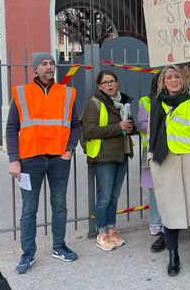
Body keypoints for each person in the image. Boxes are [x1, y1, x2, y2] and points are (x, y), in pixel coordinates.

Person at [6, 52, 80, 274]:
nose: (49, 66)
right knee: (29, 209)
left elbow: (75, 124)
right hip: (29, 161)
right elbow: (12, 129)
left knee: (60, 205)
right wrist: (14, 160)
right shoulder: (22, 93)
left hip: (59, 160)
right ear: (35, 69)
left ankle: (59, 246)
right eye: (44, 63)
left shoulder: (67, 93)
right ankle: (27, 253)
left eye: (52, 63)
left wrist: (69, 150)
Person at [148, 65, 190, 276]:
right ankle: (173, 254)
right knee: (171, 212)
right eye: (169, 77)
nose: (173, 80)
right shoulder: (156, 102)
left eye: (177, 76)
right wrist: (151, 160)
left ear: (182, 79)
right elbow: (152, 133)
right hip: (166, 162)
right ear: (162, 81)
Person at [81, 71, 135, 251]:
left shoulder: (123, 103)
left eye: (112, 81)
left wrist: (130, 127)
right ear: (99, 86)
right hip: (103, 156)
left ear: (117, 83)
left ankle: (112, 229)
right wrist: (118, 128)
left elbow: (130, 125)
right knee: (104, 197)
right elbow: (90, 131)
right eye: (105, 82)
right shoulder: (94, 104)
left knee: (114, 196)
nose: (109, 85)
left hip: (122, 154)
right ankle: (102, 233)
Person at [137, 75, 167, 252]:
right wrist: (160, 124)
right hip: (151, 150)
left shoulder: (173, 100)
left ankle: (168, 222)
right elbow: (141, 124)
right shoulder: (145, 101)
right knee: (153, 189)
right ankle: (155, 221)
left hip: (170, 149)